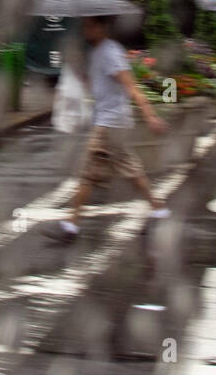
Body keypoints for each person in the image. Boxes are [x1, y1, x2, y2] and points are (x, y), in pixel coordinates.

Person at [56, 16, 170, 241]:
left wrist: (150, 115)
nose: (85, 30)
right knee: (130, 169)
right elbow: (97, 85)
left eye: (89, 25)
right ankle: (158, 208)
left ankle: (71, 224)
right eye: (84, 26)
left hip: (110, 123)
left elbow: (130, 86)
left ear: (102, 27)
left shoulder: (110, 52)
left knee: (88, 174)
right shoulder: (97, 52)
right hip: (110, 121)